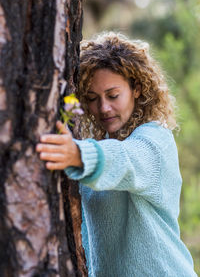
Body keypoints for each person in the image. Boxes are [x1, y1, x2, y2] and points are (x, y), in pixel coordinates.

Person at [36, 32, 197, 277]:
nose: (103, 108)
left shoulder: (155, 140)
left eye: (113, 95)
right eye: (92, 98)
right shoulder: (95, 149)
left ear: (137, 89)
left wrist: (78, 155)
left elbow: (126, 160)